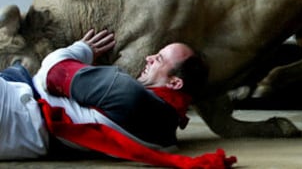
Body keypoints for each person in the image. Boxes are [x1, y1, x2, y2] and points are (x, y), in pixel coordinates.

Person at [0, 29, 237, 168]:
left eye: (159, 59)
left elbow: (52, 72)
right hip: (20, 136)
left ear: (175, 83)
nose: (148, 58)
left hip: (14, 107)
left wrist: (82, 49)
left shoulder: (129, 94)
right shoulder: (165, 133)